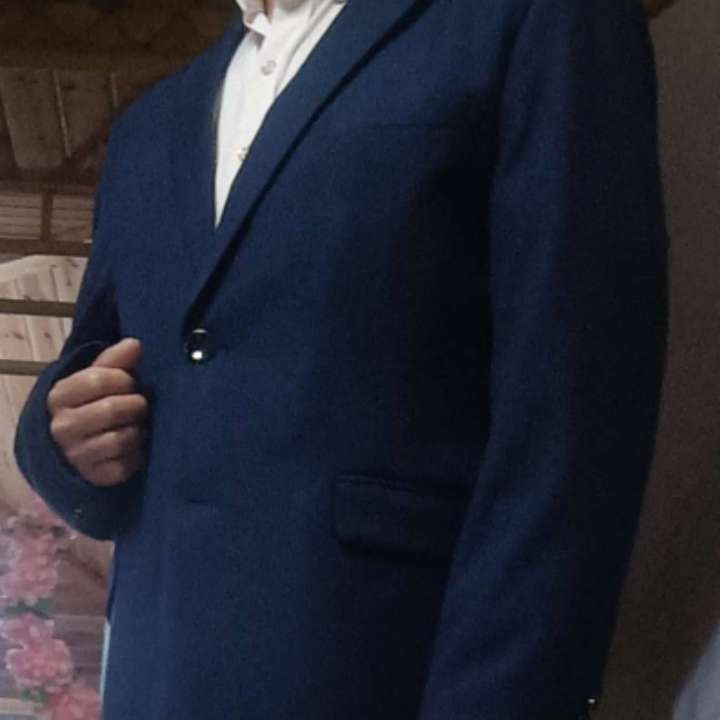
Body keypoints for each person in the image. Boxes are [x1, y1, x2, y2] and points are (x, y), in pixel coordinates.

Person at [13, 0, 669, 718]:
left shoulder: (533, 20)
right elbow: (91, 362)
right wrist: (59, 442)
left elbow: (573, 416)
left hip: (384, 676)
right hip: (155, 683)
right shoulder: (148, 127)